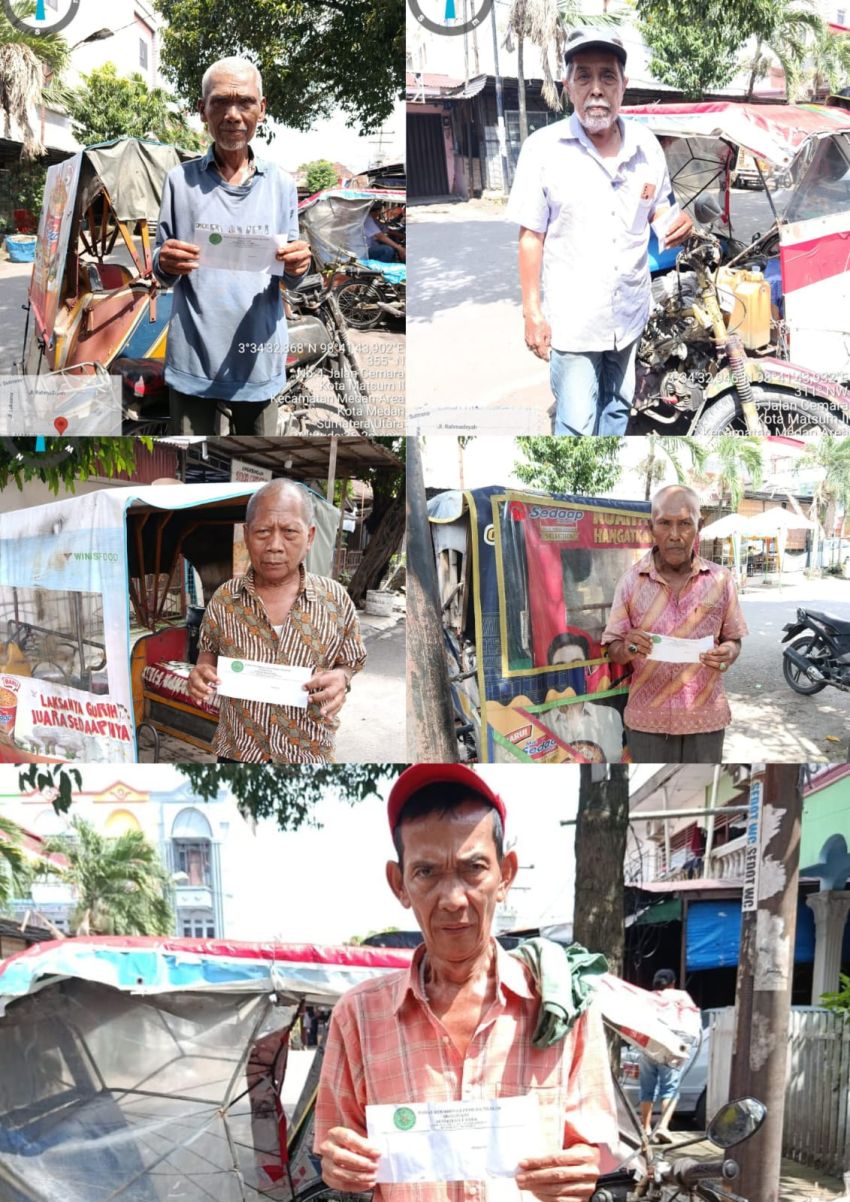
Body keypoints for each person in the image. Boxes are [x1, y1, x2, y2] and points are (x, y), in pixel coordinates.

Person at [315, 762, 619, 1202]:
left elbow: (591, 1149)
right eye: (426, 873)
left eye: (473, 868)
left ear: (505, 874)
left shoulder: (564, 1005)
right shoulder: (357, 1018)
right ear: (399, 884)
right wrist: (340, 1164)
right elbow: (335, 1148)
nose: (453, 899)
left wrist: (582, 1166)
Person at [505, 28, 693, 436]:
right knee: (576, 425)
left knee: (618, 410)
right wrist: (532, 312)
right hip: (574, 324)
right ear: (567, 86)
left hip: (629, 314)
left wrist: (676, 223)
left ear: (624, 85)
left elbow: (658, 208)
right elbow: (531, 236)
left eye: (607, 76)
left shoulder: (647, 147)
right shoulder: (543, 150)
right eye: (584, 76)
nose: (596, 89)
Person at [153, 56, 312, 436]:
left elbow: (291, 277)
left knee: (257, 465)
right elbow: (161, 272)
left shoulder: (281, 185)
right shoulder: (180, 181)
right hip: (193, 360)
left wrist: (299, 265)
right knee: (193, 461)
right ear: (202, 110)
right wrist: (165, 261)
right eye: (221, 102)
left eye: (245, 102)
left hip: (258, 359)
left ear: (262, 108)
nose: (233, 115)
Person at [187, 479, 365, 762]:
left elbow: (350, 661)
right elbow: (206, 658)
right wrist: (200, 674)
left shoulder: (335, 600)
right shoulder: (224, 600)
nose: (274, 546)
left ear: (309, 536)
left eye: (289, 532)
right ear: (247, 535)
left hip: (308, 755)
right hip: (238, 753)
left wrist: (342, 678)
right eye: (263, 532)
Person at [601, 485, 748, 762]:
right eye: (664, 523)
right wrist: (629, 647)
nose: (675, 535)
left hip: (705, 720)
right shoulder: (630, 582)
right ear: (650, 528)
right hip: (648, 722)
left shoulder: (721, 580)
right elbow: (614, 648)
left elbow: (733, 638)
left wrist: (728, 652)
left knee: (703, 781)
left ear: (699, 526)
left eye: (685, 524)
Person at [638, 970, 700, 1143]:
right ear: (673, 983)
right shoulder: (681, 996)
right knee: (670, 1088)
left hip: (648, 1045)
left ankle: (645, 1128)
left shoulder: (647, 997)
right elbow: (692, 1022)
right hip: (672, 1046)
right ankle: (663, 1128)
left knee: (647, 1089)